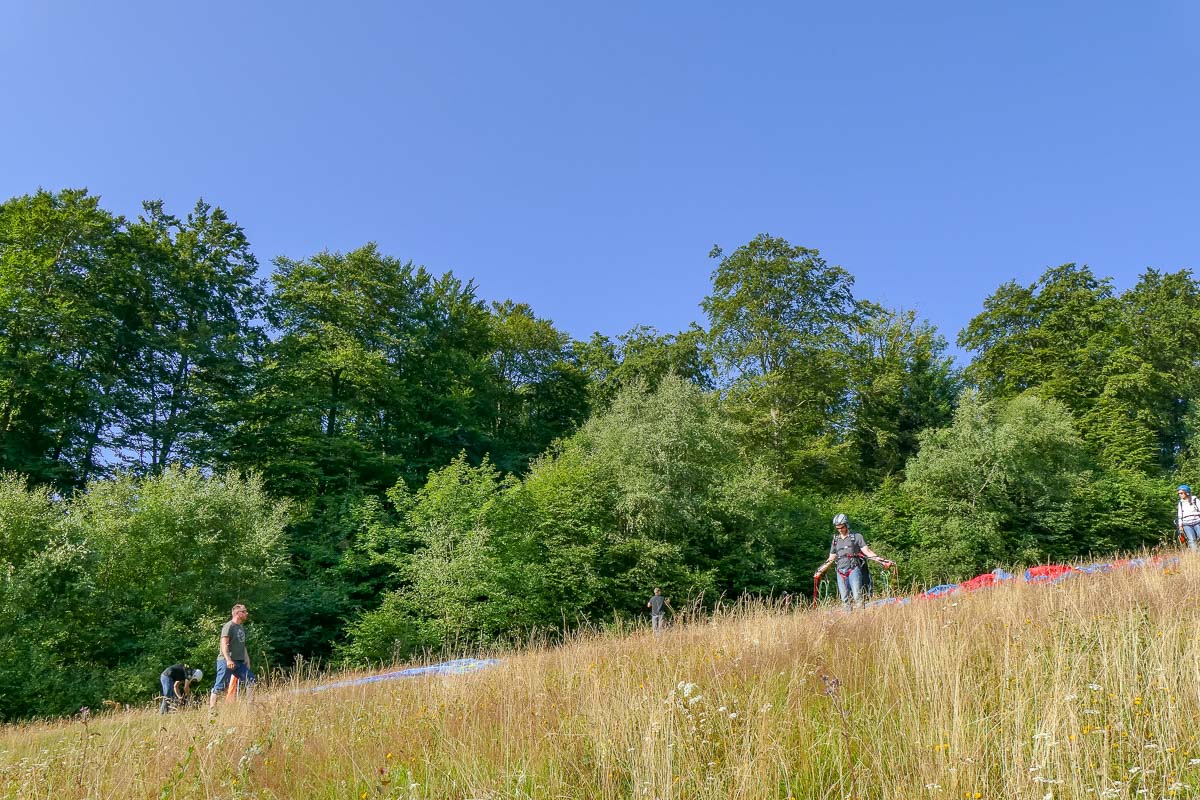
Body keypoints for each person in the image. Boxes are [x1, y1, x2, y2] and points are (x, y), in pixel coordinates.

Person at [814, 513, 894, 610]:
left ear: (846, 525)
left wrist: (883, 561)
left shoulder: (857, 537)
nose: (840, 530)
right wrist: (819, 571)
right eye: (838, 528)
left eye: (842, 527)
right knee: (844, 599)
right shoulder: (835, 540)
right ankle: (848, 617)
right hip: (840, 572)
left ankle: (860, 616)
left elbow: (868, 552)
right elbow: (830, 559)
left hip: (853, 569)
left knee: (857, 596)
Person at [210, 603, 255, 708]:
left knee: (251, 680)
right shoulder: (229, 626)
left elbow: (242, 644)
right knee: (219, 686)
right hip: (226, 661)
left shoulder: (241, 627)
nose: (246, 613)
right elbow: (224, 644)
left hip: (239, 662)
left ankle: (250, 708)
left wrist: (247, 658)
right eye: (244, 611)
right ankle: (212, 712)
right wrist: (228, 660)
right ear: (237, 613)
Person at [1178, 485, 1200, 550]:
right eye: (1179, 493)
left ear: (1187, 492)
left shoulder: (1195, 500)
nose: (1180, 495)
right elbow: (1180, 515)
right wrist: (1180, 525)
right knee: (1192, 540)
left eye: (1181, 493)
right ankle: (1195, 554)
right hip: (1186, 524)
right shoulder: (1180, 503)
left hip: (1198, 522)